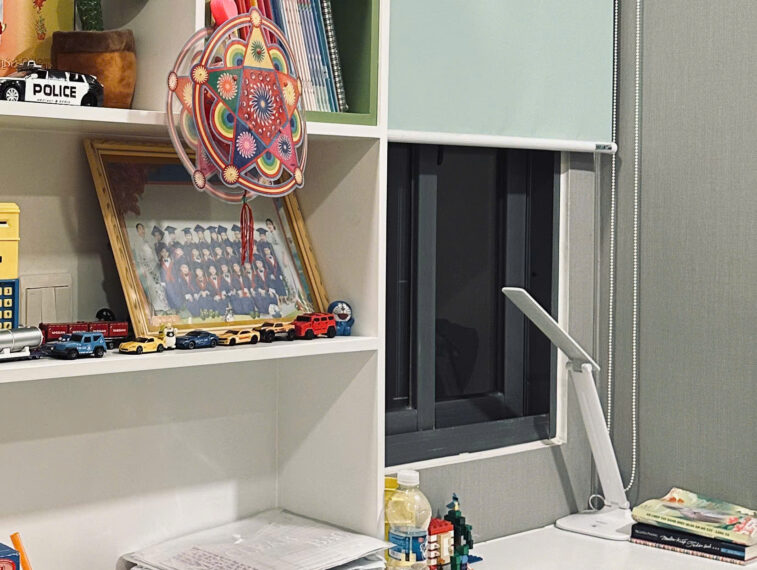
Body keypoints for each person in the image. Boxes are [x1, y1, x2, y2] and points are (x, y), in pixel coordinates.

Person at [133, 223, 170, 314]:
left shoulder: (147, 240)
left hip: (154, 264)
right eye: (139, 229)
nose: (142, 230)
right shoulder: (137, 242)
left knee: (159, 284)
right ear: (137, 231)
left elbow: (153, 253)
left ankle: (164, 305)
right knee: (152, 286)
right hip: (147, 267)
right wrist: (144, 268)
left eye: (142, 228)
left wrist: (157, 262)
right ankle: (157, 307)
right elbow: (138, 257)